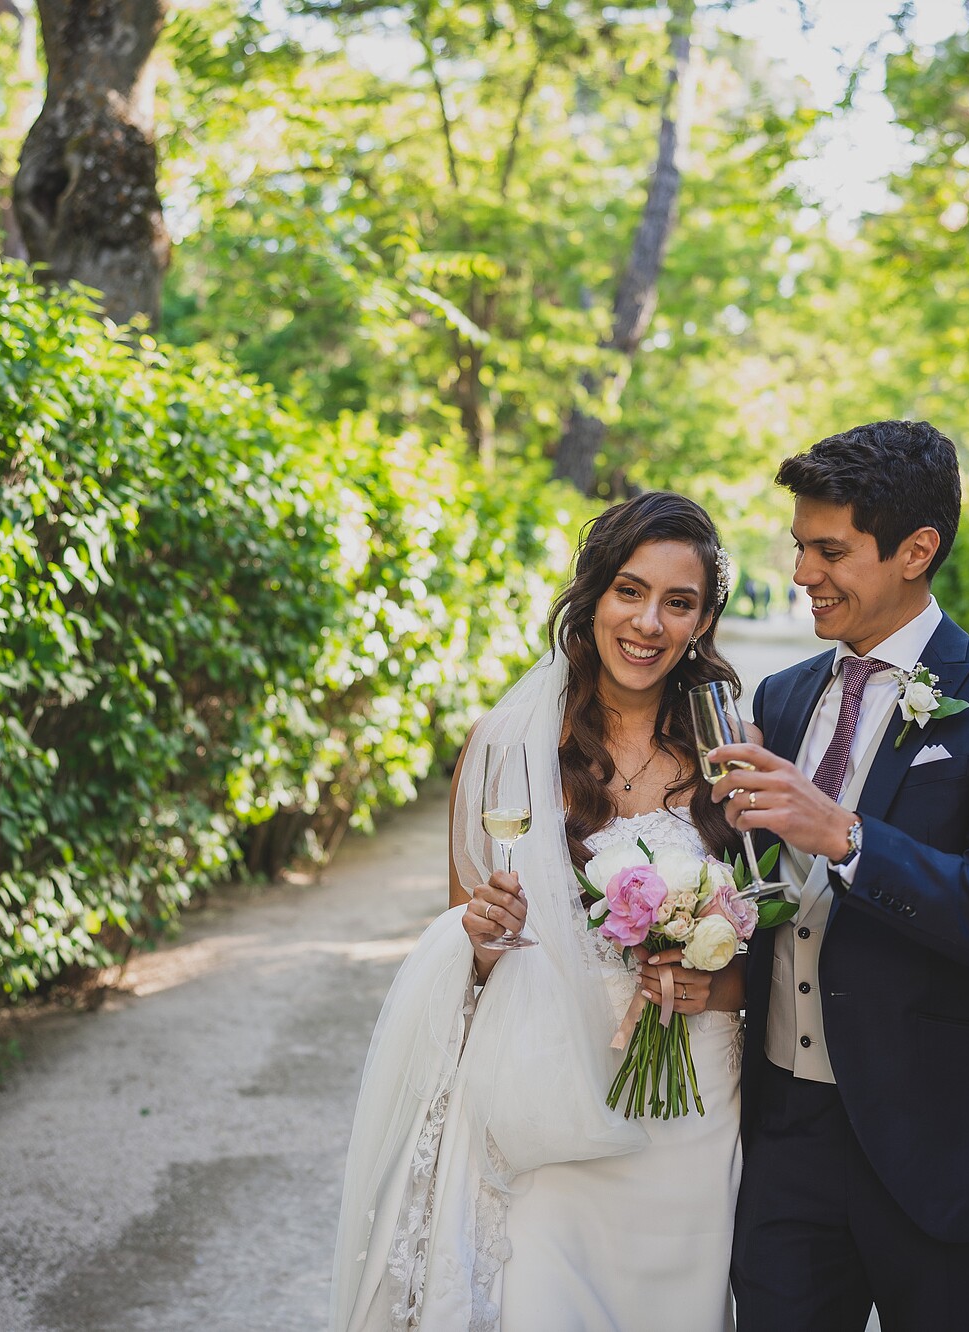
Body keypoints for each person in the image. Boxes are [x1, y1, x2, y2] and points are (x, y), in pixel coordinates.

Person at [330, 492, 749, 1332]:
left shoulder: (731, 749)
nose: (648, 623)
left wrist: (718, 984)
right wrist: (483, 938)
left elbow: (774, 942)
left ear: (703, 622)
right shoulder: (506, 746)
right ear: (592, 596)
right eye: (629, 591)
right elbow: (470, 945)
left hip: (694, 1103)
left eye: (679, 602)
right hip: (549, 1093)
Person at [707, 420, 969, 1332]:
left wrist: (847, 837)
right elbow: (764, 891)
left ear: (917, 550)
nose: (802, 573)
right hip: (787, 1138)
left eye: (831, 551)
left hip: (945, 1140)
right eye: (800, 546)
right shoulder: (783, 696)